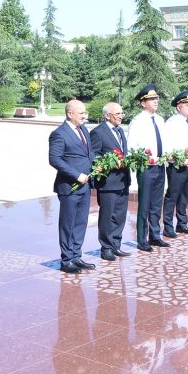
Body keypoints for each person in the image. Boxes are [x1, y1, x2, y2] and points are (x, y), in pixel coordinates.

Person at [48, 99, 96, 273]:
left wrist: (96, 166)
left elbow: (88, 154)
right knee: (68, 223)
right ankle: (66, 260)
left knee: (81, 222)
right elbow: (55, 159)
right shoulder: (59, 134)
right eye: (81, 113)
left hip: (85, 186)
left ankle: (76, 256)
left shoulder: (84, 130)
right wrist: (76, 175)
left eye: (85, 112)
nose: (85, 115)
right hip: (69, 187)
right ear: (70, 114)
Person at [127, 84, 170, 251]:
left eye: (156, 98)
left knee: (157, 204)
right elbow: (132, 148)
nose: (156, 101)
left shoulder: (160, 120)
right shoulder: (137, 121)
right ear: (143, 103)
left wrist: (167, 155)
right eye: (152, 99)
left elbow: (164, 142)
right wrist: (147, 159)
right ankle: (141, 239)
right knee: (145, 203)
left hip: (160, 166)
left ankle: (155, 235)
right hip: (146, 168)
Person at [90, 102, 132, 261]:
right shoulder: (98, 132)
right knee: (107, 216)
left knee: (120, 215)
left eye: (122, 113)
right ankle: (106, 248)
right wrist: (111, 164)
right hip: (108, 182)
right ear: (107, 116)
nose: (121, 116)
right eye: (118, 114)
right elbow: (93, 157)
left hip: (123, 180)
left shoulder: (120, 131)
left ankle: (116, 245)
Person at [162, 90, 188, 237]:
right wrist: (178, 159)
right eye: (187, 105)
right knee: (173, 195)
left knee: (185, 195)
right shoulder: (172, 123)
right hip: (177, 165)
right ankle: (168, 227)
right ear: (179, 107)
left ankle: (182, 224)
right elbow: (167, 146)